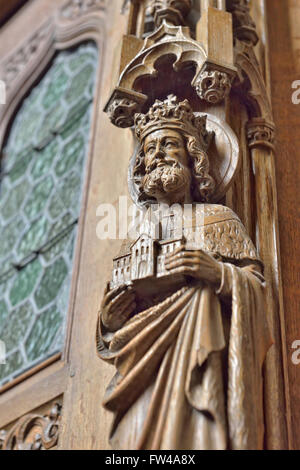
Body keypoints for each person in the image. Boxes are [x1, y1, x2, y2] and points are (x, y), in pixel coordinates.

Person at [96, 95, 272, 450]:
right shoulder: (133, 240)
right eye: (149, 149)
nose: (157, 153)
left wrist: (219, 274)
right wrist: (109, 322)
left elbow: (258, 291)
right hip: (142, 374)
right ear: (141, 165)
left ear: (193, 155)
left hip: (200, 359)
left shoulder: (218, 219)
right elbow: (113, 325)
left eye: (169, 144)